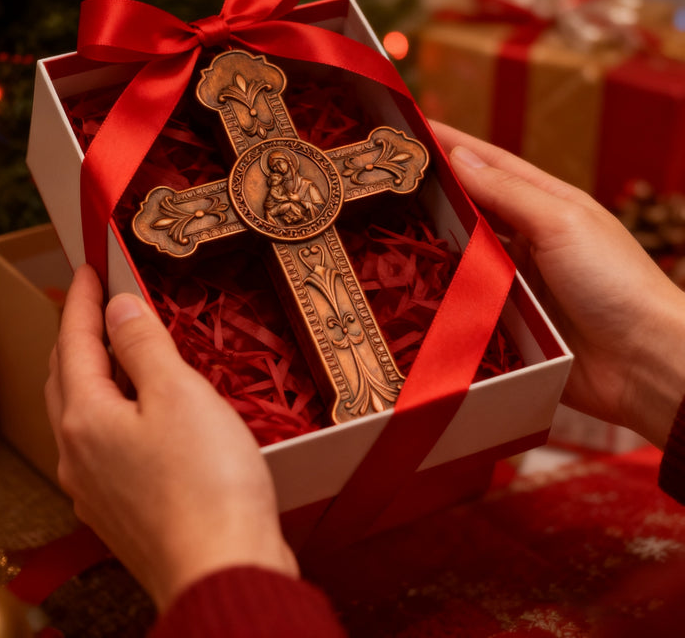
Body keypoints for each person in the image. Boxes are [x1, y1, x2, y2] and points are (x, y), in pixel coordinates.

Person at [45, 123, 685, 636]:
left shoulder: (332, 174)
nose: (283, 178)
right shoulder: (240, 173)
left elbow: (388, 161)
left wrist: (207, 560)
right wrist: (651, 358)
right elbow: (169, 219)